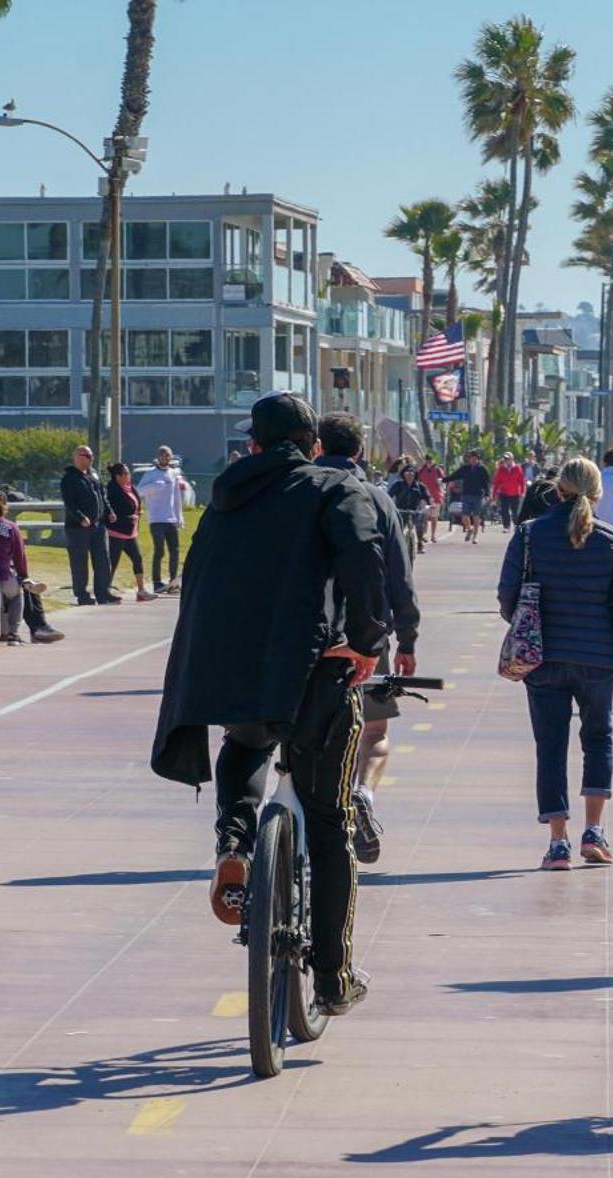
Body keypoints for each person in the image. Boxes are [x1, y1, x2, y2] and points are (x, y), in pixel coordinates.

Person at [152, 391, 389, 1017]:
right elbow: (364, 556)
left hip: (237, 671)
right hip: (316, 672)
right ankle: (334, 976)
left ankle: (235, 841)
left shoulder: (225, 498)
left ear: (253, 446)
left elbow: (196, 582)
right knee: (330, 818)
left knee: (245, 742)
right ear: (313, 445)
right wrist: (367, 643)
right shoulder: (334, 488)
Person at [499, 459, 613, 871]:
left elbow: (507, 596)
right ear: (596, 494)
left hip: (543, 658)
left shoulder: (529, 535)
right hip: (599, 659)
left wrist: (529, 624)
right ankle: (594, 832)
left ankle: (558, 843)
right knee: (598, 739)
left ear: (558, 490)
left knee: (551, 747)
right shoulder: (612, 541)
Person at [317, 412, 421, 864]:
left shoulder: (303, 492)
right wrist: (409, 640)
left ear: (318, 448)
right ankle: (363, 793)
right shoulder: (379, 499)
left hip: (309, 637)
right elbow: (400, 576)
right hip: (366, 638)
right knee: (375, 731)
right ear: (360, 452)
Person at [0, 492, 38, 643]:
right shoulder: (10, 527)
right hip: (1, 575)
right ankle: (13, 633)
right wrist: (24, 575)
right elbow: (19, 556)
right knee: (17, 594)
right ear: (5, 506)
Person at [60, 444, 117, 605]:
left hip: (98, 526)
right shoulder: (69, 478)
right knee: (79, 562)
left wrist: (109, 512)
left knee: (103, 560)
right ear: (77, 457)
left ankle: (103, 592)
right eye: (87, 456)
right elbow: (69, 503)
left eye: (91, 455)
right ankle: (82, 594)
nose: (91, 458)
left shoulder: (93, 475)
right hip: (78, 528)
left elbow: (102, 497)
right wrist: (80, 517)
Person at [136, 445, 194, 593]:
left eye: (167, 455)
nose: (165, 457)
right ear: (158, 457)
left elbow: (176, 498)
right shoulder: (151, 474)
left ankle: (173, 581)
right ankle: (156, 581)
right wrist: (154, 486)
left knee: (174, 550)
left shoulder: (173, 474)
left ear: (171, 457)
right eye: (162, 455)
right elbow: (139, 491)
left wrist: (179, 516)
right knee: (159, 550)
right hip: (156, 519)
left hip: (171, 519)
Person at [102, 462, 156, 601]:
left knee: (137, 558)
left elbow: (135, 504)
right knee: (113, 562)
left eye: (128, 473)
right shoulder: (113, 490)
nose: (129, 476)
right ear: (117, 476)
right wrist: (127, 516)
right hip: (117, 532)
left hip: (130, 532)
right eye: (125, 473)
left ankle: (141, 591)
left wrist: (137, 511)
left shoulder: (130, 488)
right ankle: (105, 591)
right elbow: (111, 511)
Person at [448, 448, 492, 542]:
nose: (472, 459)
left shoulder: (482, 469)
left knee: (476, 516)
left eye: (474, 458)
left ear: (478, 459)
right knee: (464, 516)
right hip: (466, 494)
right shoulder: (465, 468)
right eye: (471, 457)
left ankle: (475, 537)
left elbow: (486, 482)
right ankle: (469, 529)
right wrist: (444, 480)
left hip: (477, 495)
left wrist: (487, 493)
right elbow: (454, 475)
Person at [387, 459, 429, 554]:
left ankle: (420, 544)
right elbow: (389, 497)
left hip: (415, 511)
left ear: (415, 475)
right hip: (400, 511)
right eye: (407, 472)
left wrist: (424, 508)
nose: (409, 474)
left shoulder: (420, 487)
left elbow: (424, 499)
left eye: (412, 473)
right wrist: (391, 508)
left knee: (419, 523)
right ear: (403, 474)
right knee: (397, 529)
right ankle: (395, 546)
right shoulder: (398, 485)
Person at [416, 452, 446, 545]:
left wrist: (443, 494)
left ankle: (433, 535)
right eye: (427, 460)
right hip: (424, 497)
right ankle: (424, 534)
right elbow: (417, 481)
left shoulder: (438, 470)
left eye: (430, 460)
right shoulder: (421, 470)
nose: (428, 462)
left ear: (433, 461)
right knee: (424, 516)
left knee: (434, 517)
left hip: (436, 496)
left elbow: (443, 482)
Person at [492, 451, 528, 530]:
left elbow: (522, 481)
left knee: (515, 512)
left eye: (507, 458)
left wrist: (523, 492)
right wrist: (493, 495)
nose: (506, 460)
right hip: (504, 493)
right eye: (505, 458)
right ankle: (506, 526)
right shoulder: (501, 469)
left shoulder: (517, 468)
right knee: (504, 511)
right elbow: (496, 483)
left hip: (515, 494)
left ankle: (516, 524)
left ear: (512, 459)